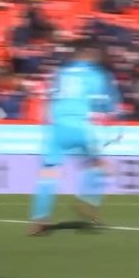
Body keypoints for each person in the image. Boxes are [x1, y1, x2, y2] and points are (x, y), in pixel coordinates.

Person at [28, 42, 121, 236]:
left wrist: (48, 127)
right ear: (88, 54)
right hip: (80, 126)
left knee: (48, 174)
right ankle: (88, 201)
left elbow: (49, 100)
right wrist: (114, 121)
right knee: (98, 166)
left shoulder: (60, 73)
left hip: (56, 129)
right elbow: (106, 105)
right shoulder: (97, 75)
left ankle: (39, 219)